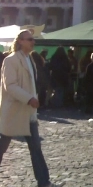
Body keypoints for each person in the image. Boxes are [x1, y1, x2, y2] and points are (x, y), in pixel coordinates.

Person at [0, 29, 64, 187]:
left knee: (36, 147)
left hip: (29, 113)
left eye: (33, 39)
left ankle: (44, 181)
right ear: (20, 41)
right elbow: (10, 86)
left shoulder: (31, 59)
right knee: (2, 147)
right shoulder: (11, 60)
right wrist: (29, 98)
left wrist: (36, 96)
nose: (33, 41)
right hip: (14, 111)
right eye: (30, 39)